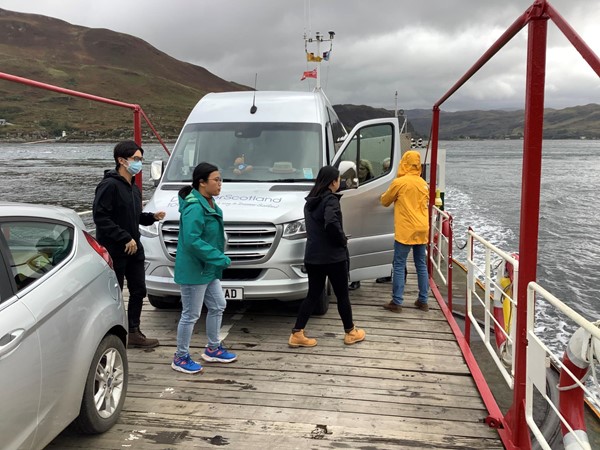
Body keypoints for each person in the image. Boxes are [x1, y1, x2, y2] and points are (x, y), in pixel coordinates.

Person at [93, 140, 165, 348]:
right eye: (136, 159)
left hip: (135, 248)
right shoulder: (109, 185)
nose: (139, 163)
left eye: (141, 159)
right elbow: (101, 218)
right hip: (115, 249)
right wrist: (124, 237)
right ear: (121, 160)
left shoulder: (133, 188)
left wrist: (151, 217)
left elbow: (133, 216)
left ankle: (133, 331)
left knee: (139, 290)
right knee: (113, 294)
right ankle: (112, 334)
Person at [289, 165, 366, 347]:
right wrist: (342, 240)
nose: (339, 183)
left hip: (313, 256)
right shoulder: (330, 200)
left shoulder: (310, 201)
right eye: (338, 179)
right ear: (333, 182)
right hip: (333, 257)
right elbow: (331, 222)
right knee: (342, 296)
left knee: (313, 295)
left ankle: (297, 333)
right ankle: (350, 332)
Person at [171, 162, 237, 374]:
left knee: (218, 305)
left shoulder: (208, 203)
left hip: (207, 269)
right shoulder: (194, 208)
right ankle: (180, 357)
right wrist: (219, 257)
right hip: (194, 270)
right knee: (190, 314)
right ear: (201, 182)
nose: (220, 184)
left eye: (221, 180)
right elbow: (191, 241)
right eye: (216, 180)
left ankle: (213, 348)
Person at [380, 150, 430, 313]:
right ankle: (423, 301)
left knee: (399, 264)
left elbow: (385, 201)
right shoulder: (423, 183)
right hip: (422, 228)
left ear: (404, 163)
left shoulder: (399, 182)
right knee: (421, 264)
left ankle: (397, 301)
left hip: (406, 229)